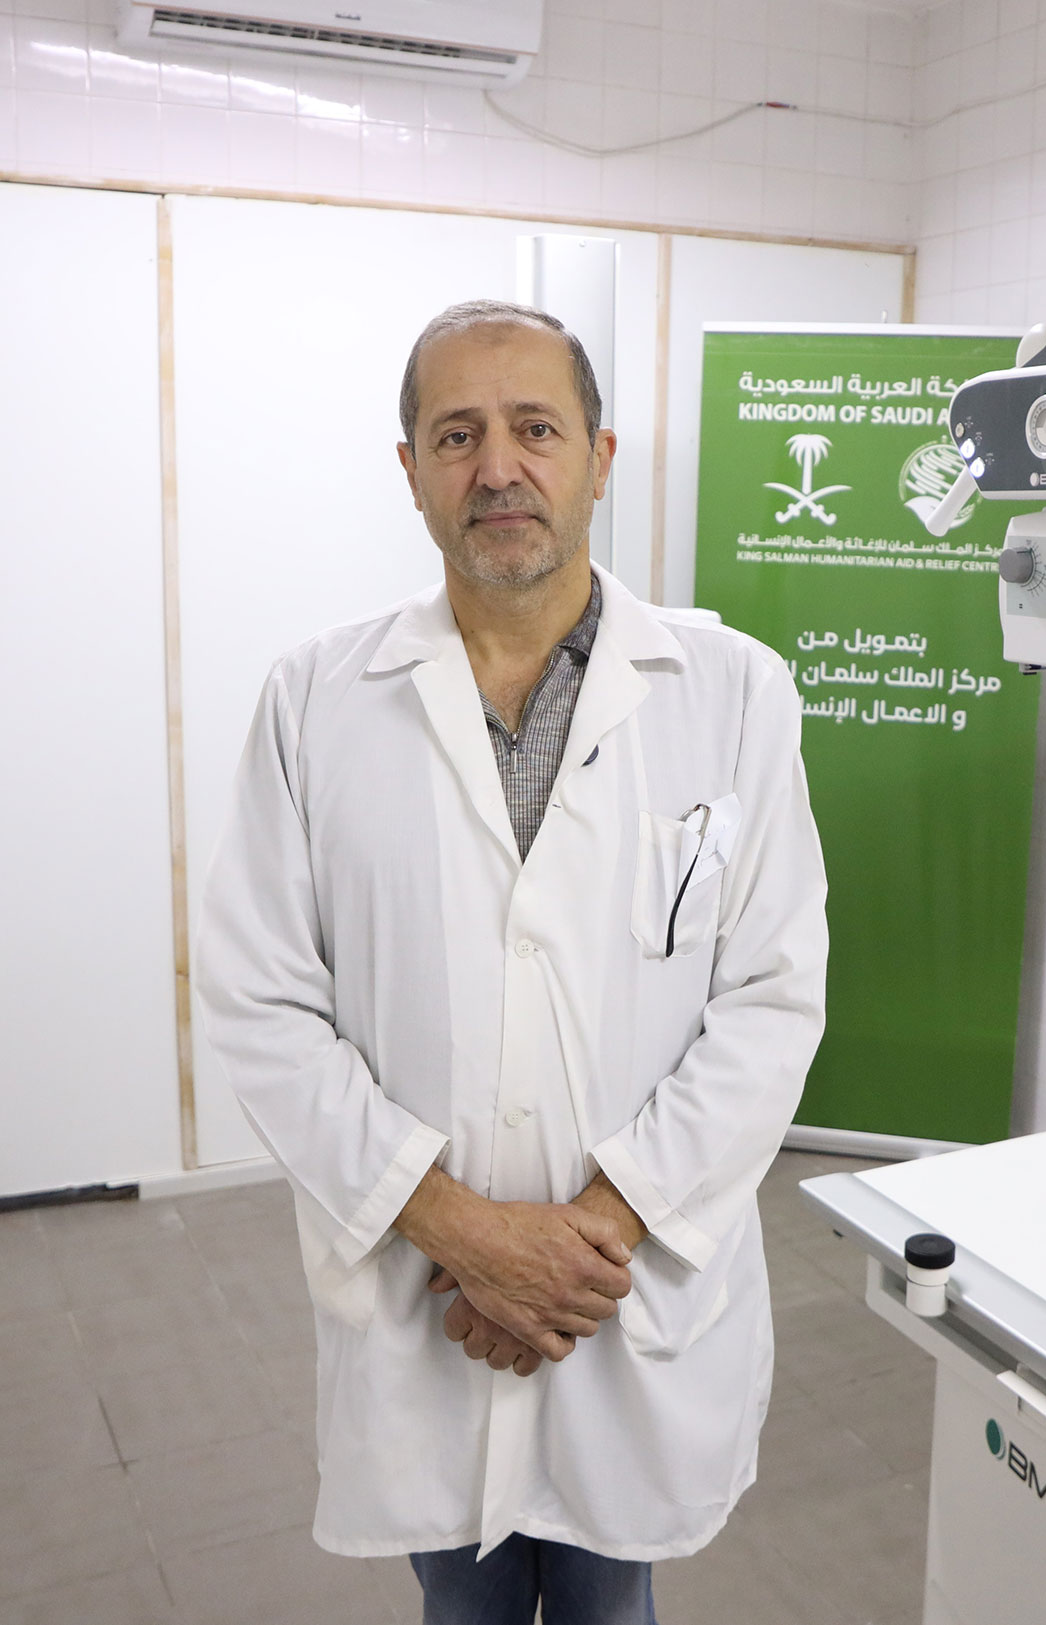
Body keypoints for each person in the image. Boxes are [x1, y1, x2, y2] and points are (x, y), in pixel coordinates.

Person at [195, 299, 829, 1624]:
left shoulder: (732, 693)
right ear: (412, 468)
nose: (499, 466)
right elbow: (260, 999)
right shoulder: (316, 702)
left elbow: (771, 996)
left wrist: (582, 1241)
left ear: (600, 456)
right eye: (458, 433)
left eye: (534, 428)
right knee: (461, 1605)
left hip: (626, 1295)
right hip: (435, 1296)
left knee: (614, 1600)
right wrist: (464, 1232)